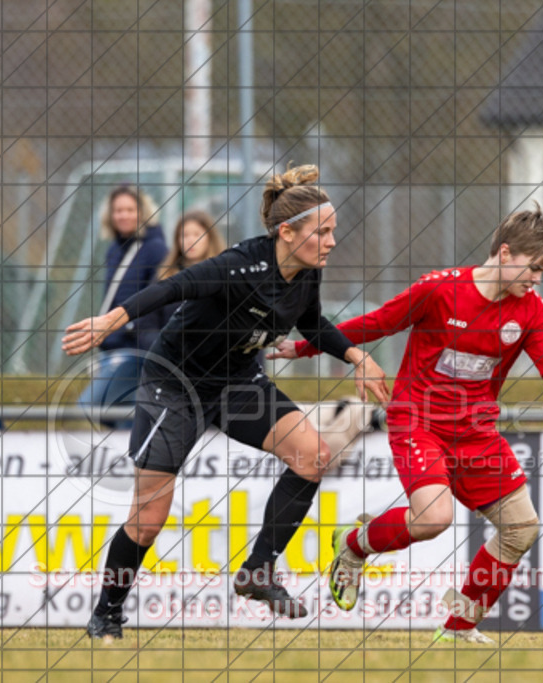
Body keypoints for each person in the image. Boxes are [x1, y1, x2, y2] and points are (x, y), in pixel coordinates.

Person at [62, 164, 390, 640]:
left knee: (312, 456)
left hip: (236, 382)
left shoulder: (305, 273)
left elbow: (313, 324)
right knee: (149, 519)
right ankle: (106, 613)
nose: (331, 241)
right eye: (322, 231)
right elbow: (173, 287)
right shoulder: (240, 265)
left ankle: (258, 570)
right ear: (286, 232)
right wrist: (112, 319)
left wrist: (357, 356)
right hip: (174, 384)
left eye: (332, 230)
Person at [271, 205, 543, 646]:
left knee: (521, 528)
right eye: (534, 267)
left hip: (476, 432)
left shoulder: (531, 312)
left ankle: (458, 628)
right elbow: (378, 323)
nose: (537, 279)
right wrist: (302, 349)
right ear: (505, 253)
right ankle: (355, 545)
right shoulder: (441, 290)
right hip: (418, 421)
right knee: (434, 518)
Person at [77, 186, 169, 429]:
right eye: (118, 210)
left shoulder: (155, 249)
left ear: (143, 212)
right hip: (112, 345)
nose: (123, 215)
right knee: (123, 415)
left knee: (89, 405)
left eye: (130, 209)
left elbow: (156, 300)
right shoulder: (115, 250)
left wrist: (130, 330)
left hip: (133, 347)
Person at [153, 209, 227, 322]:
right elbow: (147, 323)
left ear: (210, 237)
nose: (190, 241)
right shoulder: (164, 274)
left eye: (197, 235)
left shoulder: (225, 274)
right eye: (184, 235)